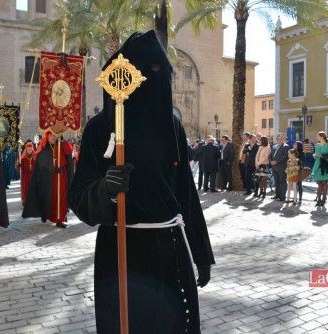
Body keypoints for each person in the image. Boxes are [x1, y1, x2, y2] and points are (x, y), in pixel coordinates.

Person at [68, 30, 214, 334]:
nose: (157, 79)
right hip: (121, 252)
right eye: (150, 71)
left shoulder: (172, 125)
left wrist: (200, 253)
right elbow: (80, 195)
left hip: (170, 250)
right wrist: (105, 189)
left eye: (162, 72)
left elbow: (185, 191)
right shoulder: (100, 128)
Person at [22, 130, 73, 228]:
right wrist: (52, 168)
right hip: (48, 179)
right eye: (51, 136)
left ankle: (60, 219)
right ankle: (48, 215)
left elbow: (68, 153)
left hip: (61, 176)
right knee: (51, 198)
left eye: (55, 135)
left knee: (61, 197)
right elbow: (41, 164)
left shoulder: (61, 145)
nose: (53, 137)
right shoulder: (44, 149)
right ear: (47, 136)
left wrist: (62, 140)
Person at [312, 131, 328, 207]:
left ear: (322, 137)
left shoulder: (327, 145)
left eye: (317, 136)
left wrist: (322, 155)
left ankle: (323, 199)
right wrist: (315, 155)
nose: (316, 137)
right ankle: (319, 199)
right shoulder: (317, 145)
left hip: (324, 166)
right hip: (317, 165)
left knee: (324, 183)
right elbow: (316, 155)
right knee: (319, 183)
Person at [271, 133, 289, 201]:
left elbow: (285, 156)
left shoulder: (286, 146)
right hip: (274, 167)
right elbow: (271, 155)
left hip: (281, 167)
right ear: (277, 139)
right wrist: (271, 161)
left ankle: (282, 196)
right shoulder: (274, 146)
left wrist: (276, 161)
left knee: (282, 182)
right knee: (276, 181)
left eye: (282, 138)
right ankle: (277, 194)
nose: (280, 140)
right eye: (279, 138)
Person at [18, 141, 36, 206]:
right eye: (28, 149)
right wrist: (19, 164)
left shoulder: (35, 158)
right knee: (26, 190)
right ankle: (26, 202)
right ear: (26, 150)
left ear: (32, 149)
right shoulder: (23, 158)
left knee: (33, 190)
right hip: (25, 176)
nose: (29, 150)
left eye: (30, 149)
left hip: (33, 176)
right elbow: (18, 167)